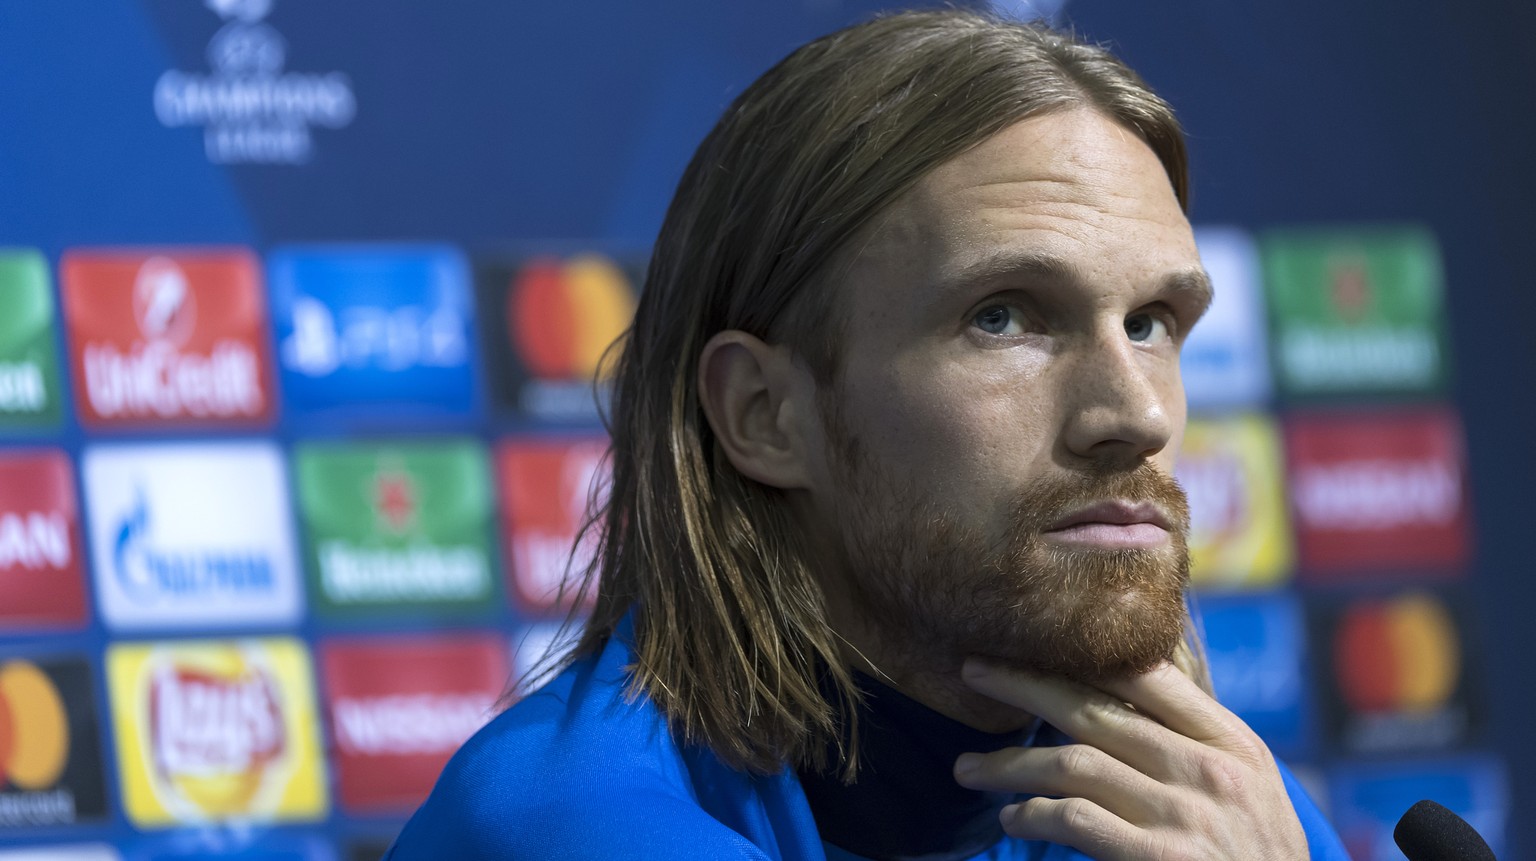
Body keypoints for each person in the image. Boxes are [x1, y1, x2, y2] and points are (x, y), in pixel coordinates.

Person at [387, 9, 1349, 860]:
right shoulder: (573, 826)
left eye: (1149, 323)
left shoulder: (1209, 809)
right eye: (1004, 317)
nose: (1136, 414)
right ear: (766, 414)